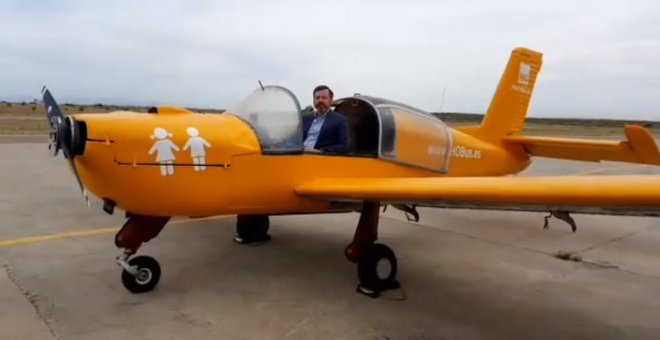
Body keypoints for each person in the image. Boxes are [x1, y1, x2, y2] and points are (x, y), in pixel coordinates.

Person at [302, 85, 349, 154]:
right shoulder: (306, 118)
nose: (320, 100)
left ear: (331, 100)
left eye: (324, 98)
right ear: (313, 100)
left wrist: (320, 151)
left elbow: (344, 146)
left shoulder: (340, 120)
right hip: (299, 154)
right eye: (317, 98)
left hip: (319, 157)